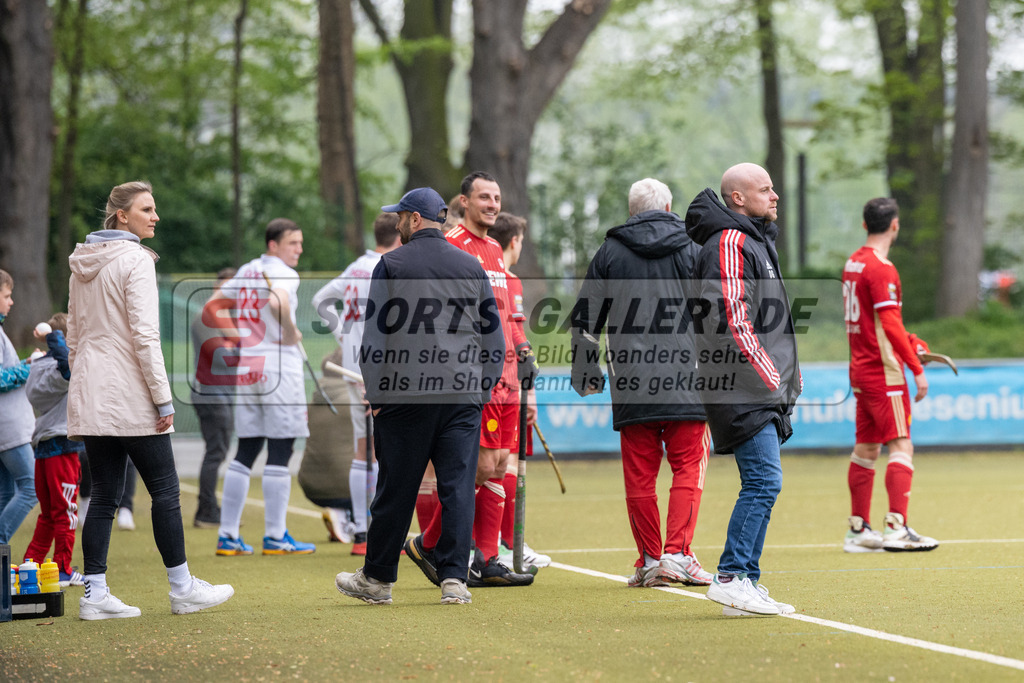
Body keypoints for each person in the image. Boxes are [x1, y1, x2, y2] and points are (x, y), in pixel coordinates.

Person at [67, 180, 233, 619]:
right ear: (123, 216)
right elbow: (144, 336)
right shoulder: (136, 260)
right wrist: (163, 399)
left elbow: (75, 337)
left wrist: (79, 390)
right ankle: (182, 589)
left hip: (92, 392)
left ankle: (95, 594)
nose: (155, 216)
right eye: (147, 209)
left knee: (103, 493)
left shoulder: (81, 261)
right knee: (165, 490)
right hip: (129, 392)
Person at [334, 187, 505, 605]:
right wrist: (479, 392)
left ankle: (377, 580)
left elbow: (376, 338)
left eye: (400, 216)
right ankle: (454, 580)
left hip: (405, 396)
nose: (396, 223)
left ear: (413, 219)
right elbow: (494, 340)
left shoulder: (390, 264)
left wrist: (375, 392)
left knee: (396, 489)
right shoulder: (470, 264)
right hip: (461, 395)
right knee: (458, 488)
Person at [571, 178, 713, 588]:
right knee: (689, 467)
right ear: (669, 206)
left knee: (639, 475)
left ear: (632, 210)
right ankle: (677, 554)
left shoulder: (610, 252)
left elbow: (584, 320)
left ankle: (651, 559)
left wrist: (586, 372)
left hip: (632, 382)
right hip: (689, 380)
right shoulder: (694, 247)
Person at [406, 172, 536, 589]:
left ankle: (488, 559)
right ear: (464, 202)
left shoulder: (496, 248)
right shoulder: (453, 246)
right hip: (476, 373)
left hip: (508, 372)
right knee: (476, 468)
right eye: (484, 197)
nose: (493, 204)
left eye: (497, 197)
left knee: (499, 467)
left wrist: (524, 350)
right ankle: (429, 544)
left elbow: (504, 314)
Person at [685, 163, 802, 616]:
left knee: (764, 483)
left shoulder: (754, 241)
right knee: (763, 481)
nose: (775, 196)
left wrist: (789, 374)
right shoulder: (730, 241)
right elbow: (730, 319)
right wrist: (772, 374)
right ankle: (732, 576)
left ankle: (746, 581)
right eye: (765, 189)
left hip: (756, 385)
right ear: (737, 197)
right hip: (741, 385)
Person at [213, 219, 316, 556]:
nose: (299, 249)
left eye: (300, 243)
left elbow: (213, 306)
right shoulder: (283, 272)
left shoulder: (247, 269)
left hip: (249, 365)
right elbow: (279, 304)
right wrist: (291, 332)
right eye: (293, 243)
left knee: (246, 449)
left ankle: (228, 535)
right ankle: (275, 536)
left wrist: (238, 338)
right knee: (281, 448)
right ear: (274, 244)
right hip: (278, 367)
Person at [842, 198, 939, 553]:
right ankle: (896, 527)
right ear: (894, 225)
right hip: (883, 372)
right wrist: (916, 368)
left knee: (866, 448)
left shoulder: (854, 262)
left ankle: (858, 530)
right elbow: (889, 323)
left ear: (865, 224)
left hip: (860, 370)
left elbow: (876, 322)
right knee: (901, 444)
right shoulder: (882, 268)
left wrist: (911, 342)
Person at [312, 213, 400, 553]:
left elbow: (320, 300)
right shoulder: (386, 267)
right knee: (377, 450)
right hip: (377, 370)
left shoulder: (355, 267)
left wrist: (345, 338)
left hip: (354, 367)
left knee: (362, 446)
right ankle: (368, 534)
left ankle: (362, 531)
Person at [488, 211, 551, 570]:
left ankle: (499, 545)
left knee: (495, 465)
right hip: (501, 386)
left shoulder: (505, 280)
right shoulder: (507, 281)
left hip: (502, 382)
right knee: (499, 464)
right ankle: (508, 545)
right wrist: (527, 388)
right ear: (514, 242)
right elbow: (516, 337)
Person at [22, 313, 86, 586]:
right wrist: (54, 335)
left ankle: (30, 565)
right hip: (62, 447)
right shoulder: (61, 368)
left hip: (43, 448)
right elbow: (68, 368)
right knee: (66, 512)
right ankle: (63, 568)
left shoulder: (38, 367)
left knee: (48, 515)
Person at [190, 267, 238, 528]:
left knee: (218, 451)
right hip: (210, 394)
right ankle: (206, 511)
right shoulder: (206, 317)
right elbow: (224, 357)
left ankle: (209, 509)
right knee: (216, 451)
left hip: (223, 393)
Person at [298, 348, 356, 543]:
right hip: (344, 487)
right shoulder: (355, 401)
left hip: (310, 485)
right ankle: (354, 522)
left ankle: (342, 515)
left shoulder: (314, 399)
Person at [0, 268, 37, 546]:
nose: (11, 302)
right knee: (31, 487)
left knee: (5, 494)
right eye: (7, 295)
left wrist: (25, 365)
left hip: (7, 430)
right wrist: (29, 370)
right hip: (8, 430)